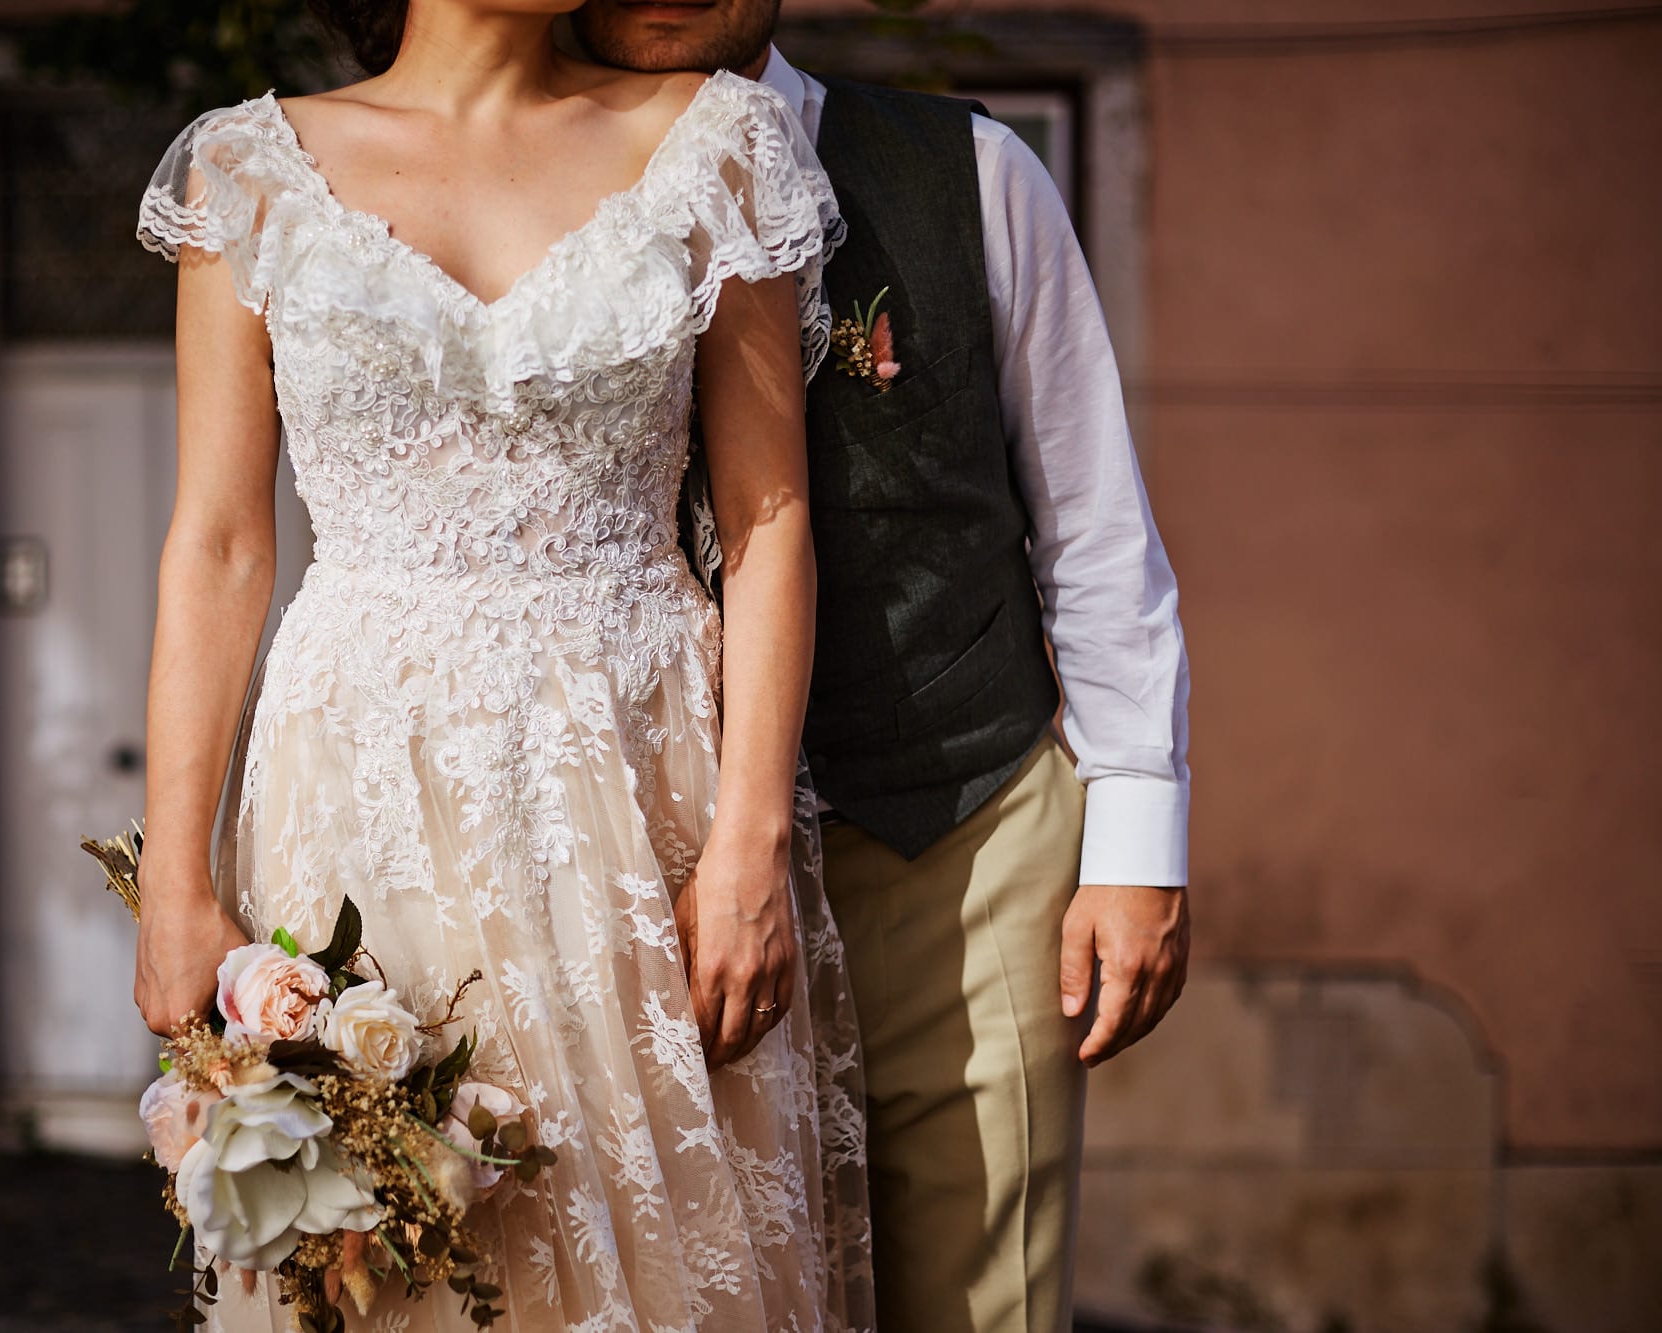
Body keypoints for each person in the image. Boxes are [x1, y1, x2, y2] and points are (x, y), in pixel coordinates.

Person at [129, 0, 873, 1328]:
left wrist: (753, 836)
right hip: (361, 789)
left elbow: (770, 520)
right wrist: (174, 879)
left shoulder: (717, 143)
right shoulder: (249, 171)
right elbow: (222, 543)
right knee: (384, 1256)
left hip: (637, 782)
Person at [573, 5, 1195, 1332]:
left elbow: (1091, 521)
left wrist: (1137, 829)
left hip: (953, 842)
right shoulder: (508, 190)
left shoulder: (967, 174)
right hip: (628, 871)